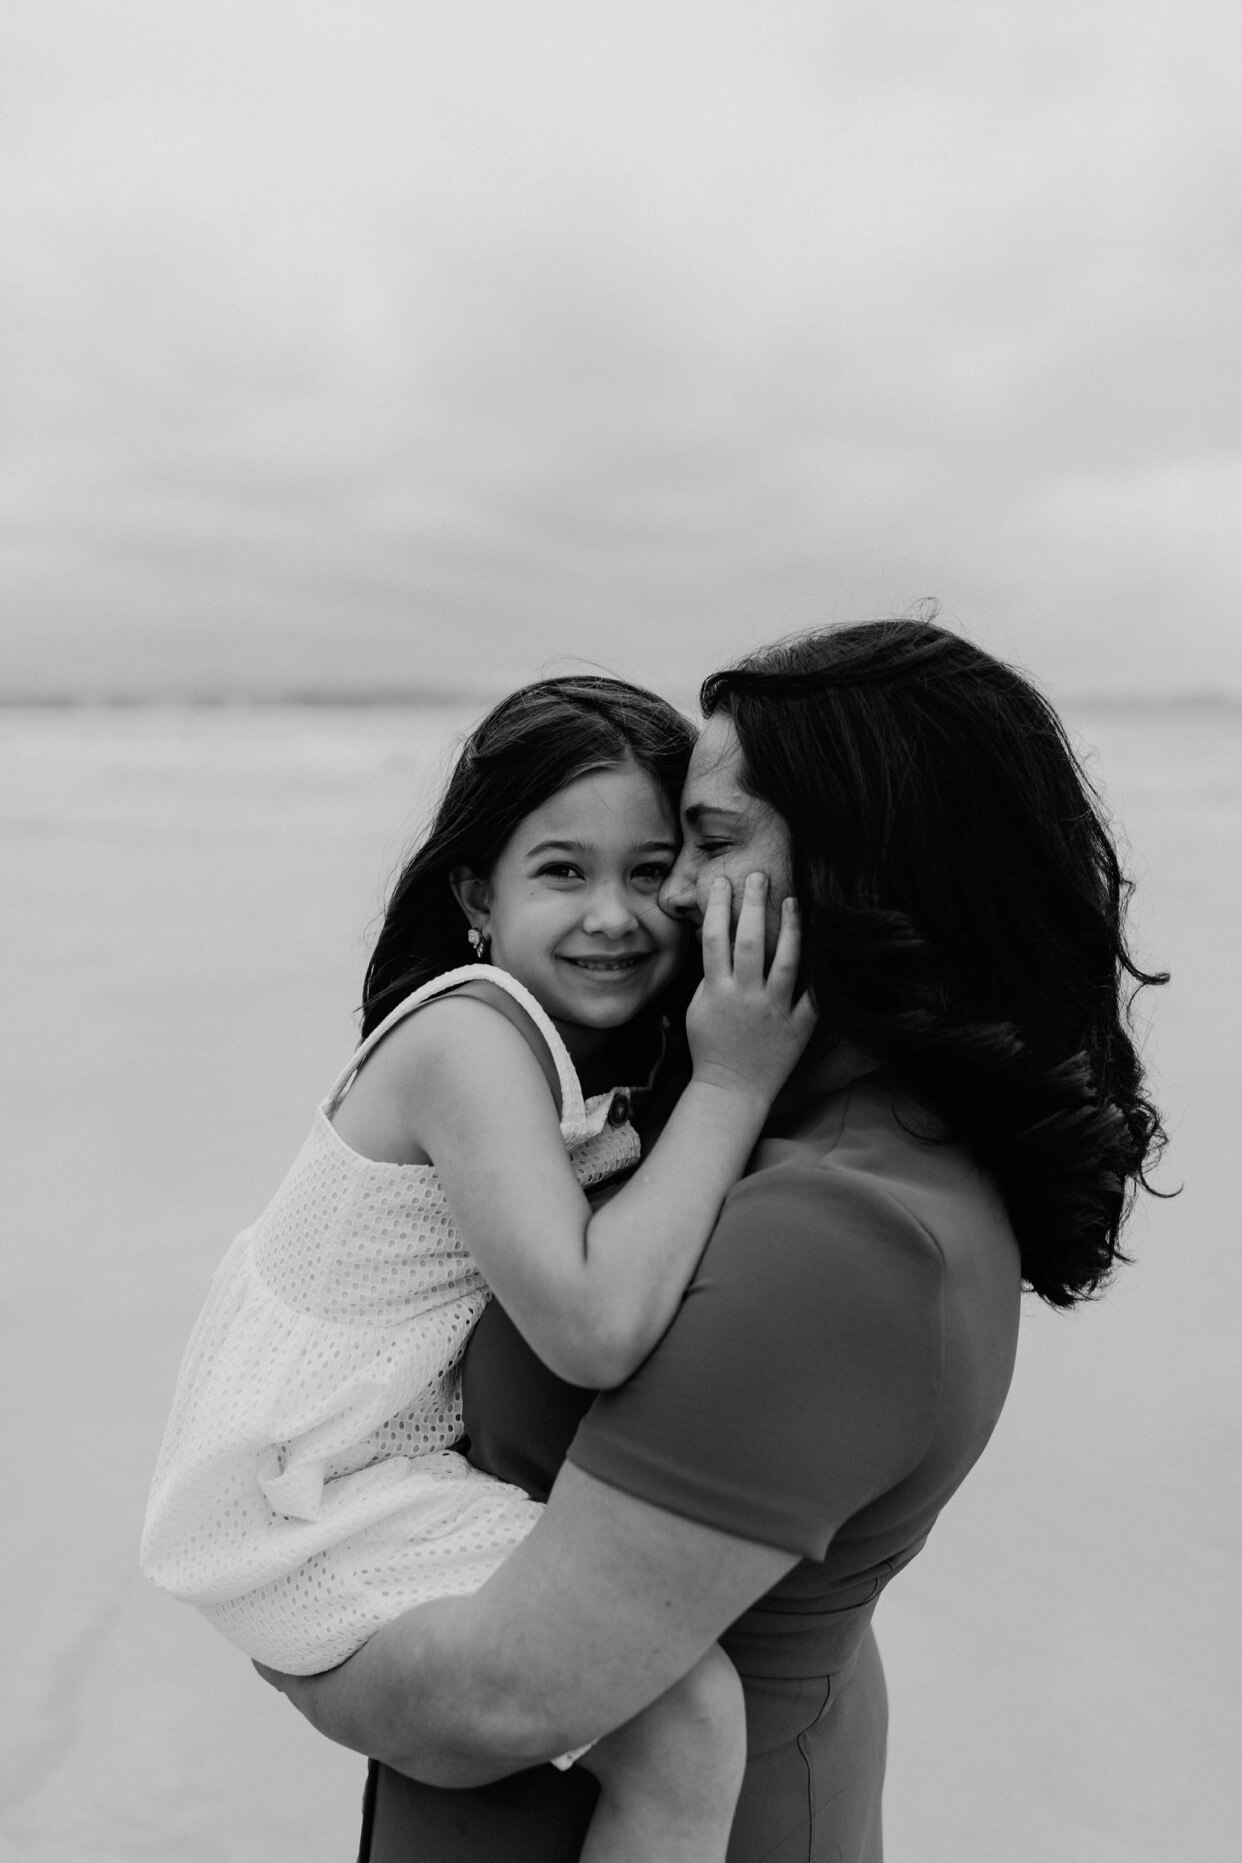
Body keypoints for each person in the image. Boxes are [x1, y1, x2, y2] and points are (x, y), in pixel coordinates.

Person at [257, 619, 1169, 1861]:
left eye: (711, 842)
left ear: (865, 867)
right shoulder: (765, 1120)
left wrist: (276, 1614)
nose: (674, 894)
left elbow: (504, 1701)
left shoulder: (838, 1235)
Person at [141, 675, 818, 1863]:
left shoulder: (574, 1052)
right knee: (690, 1720)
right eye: (562, 871)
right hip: (317, 1501)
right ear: (476, 895)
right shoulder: (470, 1037)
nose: (614, 914)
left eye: (650, 869)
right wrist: (735, 1082)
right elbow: (591, 1327)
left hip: (350, 1481)